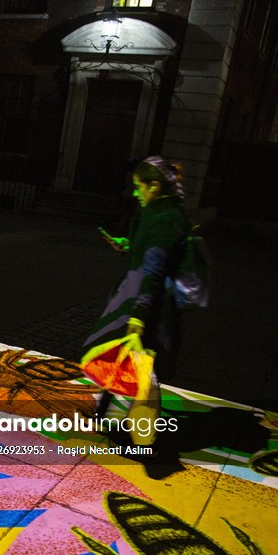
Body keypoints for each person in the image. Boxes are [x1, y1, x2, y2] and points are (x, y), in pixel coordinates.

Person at [83, 155, 190, 416]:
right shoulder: (153, 211)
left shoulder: (167, 219)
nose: (134, 192)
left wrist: (139, 315)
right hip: (138, 294)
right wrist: (127, 246)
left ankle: (143, 429)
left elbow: (155, 269)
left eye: (138, 186)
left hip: (151, 302)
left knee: (145, 367)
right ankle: (103, 407)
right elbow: (147, 254)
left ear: (154, 186)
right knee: (122, 354)